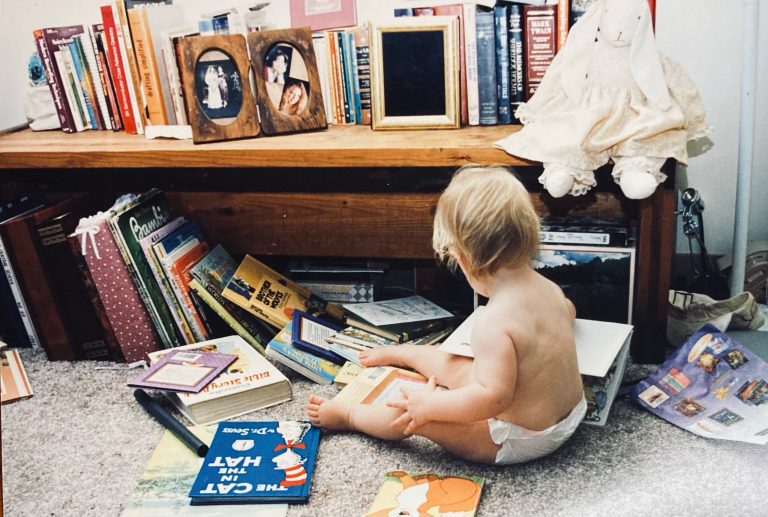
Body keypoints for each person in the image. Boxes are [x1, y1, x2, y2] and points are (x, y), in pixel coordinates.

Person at [307, 165, 587, 465]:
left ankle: (350, 415)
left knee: (411, 414)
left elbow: (494, 400)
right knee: (457, 364)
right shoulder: (550, 289)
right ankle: (403, 353)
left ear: (464, 260)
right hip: (571, 413)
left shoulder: (493, 322)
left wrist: (431, 405)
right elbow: (567, 313)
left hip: (521, 438)